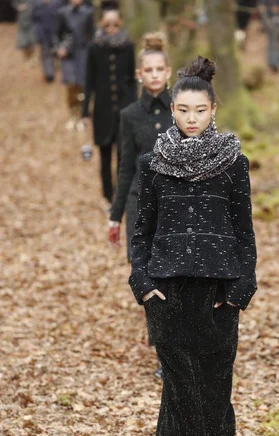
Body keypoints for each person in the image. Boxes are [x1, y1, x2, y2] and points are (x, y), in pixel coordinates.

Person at [127, 57, 257, 436]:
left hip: (220, 294)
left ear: (213, 108)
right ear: (173, 111)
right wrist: (142, 284)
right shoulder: (154, 164)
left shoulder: (233, 164)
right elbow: (140, 232)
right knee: (181, 390)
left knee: (215, 389)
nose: (191, 119)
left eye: (199, 110)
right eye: (182, 110)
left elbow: (245, 231)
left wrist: (243, 286)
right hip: (169, 293)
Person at [108, 32, 172, 256]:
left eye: (159, 69)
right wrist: (115, 216)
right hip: (139, 204)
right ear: (139, 74)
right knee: (142, 278)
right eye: (148, 70)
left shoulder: (183, 110)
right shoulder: (129, 115)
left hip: (176, 204)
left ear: (168, 72)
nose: (154, 75)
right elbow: (125, 167)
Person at [82, 10, 136, 205]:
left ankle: (122, 194)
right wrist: (84, 111)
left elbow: (132, 79)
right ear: (102, 25)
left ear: (120, 24)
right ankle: (107, 194)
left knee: (123, 154)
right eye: (107, 25)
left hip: (124, 108)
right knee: (105, 156)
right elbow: (89, 82)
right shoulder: (94, 48)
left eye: (115, 25)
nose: (111, 29)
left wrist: (135, 106)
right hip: (102, 110)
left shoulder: (128, 46)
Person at [56, 0, 94, 129]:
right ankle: (73, 116)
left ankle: (83, 116)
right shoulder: (63, 13)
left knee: (83, 85)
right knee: (71, 85)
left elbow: (92, 35)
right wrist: (60, 48)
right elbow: (57, 34)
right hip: (69, 56)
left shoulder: (88, 13)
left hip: (84, 54)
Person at [32, 0, 62, 82]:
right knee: (46, 53)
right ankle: (49, 74)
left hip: (56, 32)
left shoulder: (58, 3)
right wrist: (36, 32)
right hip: (43, 33)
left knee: (57, 51)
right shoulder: (36, 3)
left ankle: (57, 69)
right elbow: (33, 18)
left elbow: (62, 16)